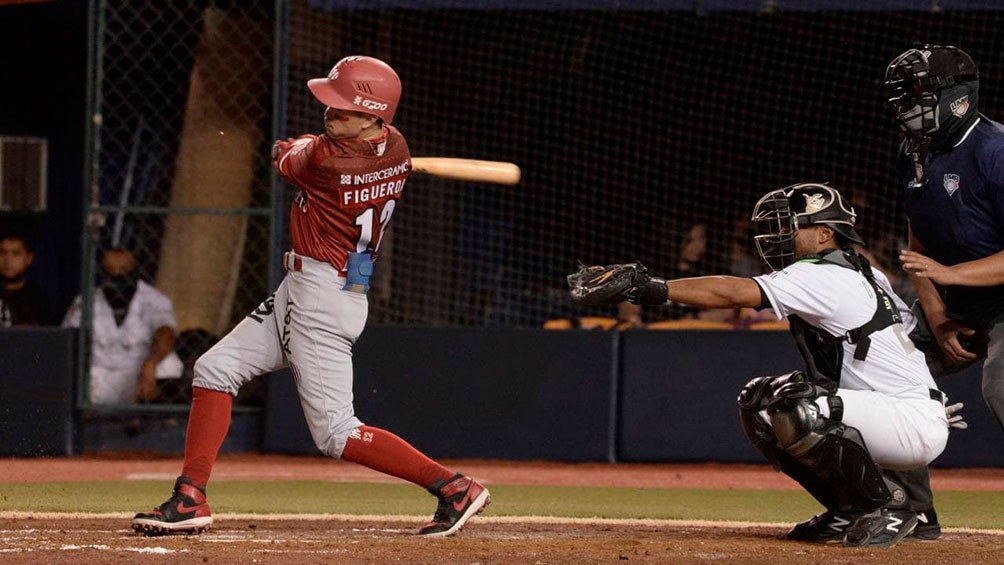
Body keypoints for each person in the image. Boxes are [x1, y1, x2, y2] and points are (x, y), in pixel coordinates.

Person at [131, 56, 490, 538]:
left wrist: (295, 146)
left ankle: (452, 486)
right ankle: (191, 496)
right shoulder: (395, 145)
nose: (329, 113)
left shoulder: (325, 160)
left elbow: (290, 156)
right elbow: (315, 149)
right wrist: (311, 144)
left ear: (371, 115)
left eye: (342, 109)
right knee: (215, 370)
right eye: (330, 106)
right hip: (315, 288)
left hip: (321, 297)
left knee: (337, 432)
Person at [568, 183, 951, 548]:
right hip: (897, 413)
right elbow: (904, 338)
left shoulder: (825, 274)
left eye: (791, 226)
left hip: (905, 418)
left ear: (824, 234)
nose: (779, 236)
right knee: (760, 401)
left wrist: (651, 287)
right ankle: (851, 509)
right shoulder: (867, 273)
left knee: (796, 408)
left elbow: (734, 291)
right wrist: (923, 394)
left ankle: (890, 506)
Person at [883, 44, 1004, 539]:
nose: (908, 105)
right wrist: (936, 317)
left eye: (919, 93)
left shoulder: (995, 150)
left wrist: (952, 275)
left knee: (1001, 384)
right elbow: (919, 245)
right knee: (883, 369)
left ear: (959, 96)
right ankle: (908, 508)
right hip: (954, 301)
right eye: (903, 96)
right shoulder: (913, 152)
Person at [62, 247, 182, 404]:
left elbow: (167, 333)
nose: (117, 275)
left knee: (170, 364)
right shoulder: (85, 301)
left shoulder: (153, 299)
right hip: (96, 379)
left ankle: (149, 421)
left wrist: (151, 362)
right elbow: (66, 340)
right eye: (110, 270)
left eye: (124, 270)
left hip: (137, 376)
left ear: (136, 270)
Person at [0, 232, 50, 327]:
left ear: (29, 258)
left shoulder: (37, 297)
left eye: (16, 253)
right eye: (2, 252)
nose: (8, 260)